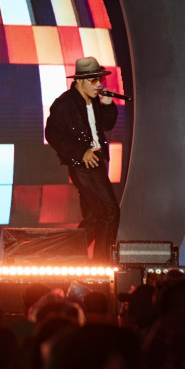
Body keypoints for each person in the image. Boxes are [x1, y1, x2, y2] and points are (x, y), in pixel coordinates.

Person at [45, 57, 119, 262]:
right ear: (79, 81)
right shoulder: (65, 103)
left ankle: (62, 255)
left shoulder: (95, 101)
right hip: (83, 165)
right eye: (94, 80)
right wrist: (80, 152)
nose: (99, 85)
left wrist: (108, 105)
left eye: (100, 80)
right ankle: (102, 264)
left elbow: (107, 125)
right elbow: (52, 133)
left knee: (95, 218)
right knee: (110, 211)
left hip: (97, 161)